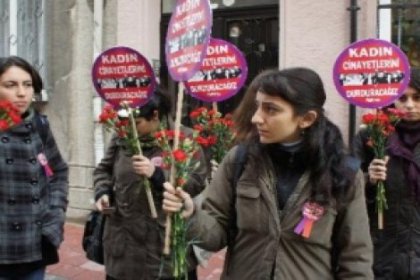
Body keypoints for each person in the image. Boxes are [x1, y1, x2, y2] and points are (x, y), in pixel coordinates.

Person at [163, 67, 374, 279]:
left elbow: (355, 257)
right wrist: (191, 214)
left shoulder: (342, 171)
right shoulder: (240, 161)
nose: (256, 118)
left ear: (307, 119)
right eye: (258, 107)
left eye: (271, 109)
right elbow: (215, 234)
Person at [93, 86, 208, 280]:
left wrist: (156, 174)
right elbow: (103, 170)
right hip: (125, 249)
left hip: (165, 247)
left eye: (136, 123)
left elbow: (197, 181)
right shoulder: (122, 138)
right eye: (126, 123)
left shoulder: (184, 137)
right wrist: (103, 192)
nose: (129, 129)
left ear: (155, 115)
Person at [0, 56, 69, 279]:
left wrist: (54, 218)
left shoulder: (39, 125)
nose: (22, 93)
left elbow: (57, 171)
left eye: (27, 85)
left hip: (35, 245)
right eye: (10, 85)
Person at [352, 67, 420, 279]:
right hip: (383, 255)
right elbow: (344, 190)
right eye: (402, 98)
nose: (409, 105)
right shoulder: (371, 136)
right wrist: (368, 180)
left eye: (417, 98)